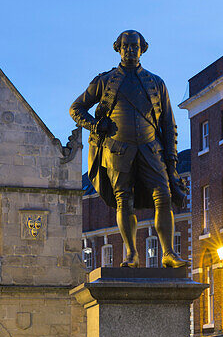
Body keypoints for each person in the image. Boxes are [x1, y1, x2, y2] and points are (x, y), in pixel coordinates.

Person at [70, 30, 187, 268]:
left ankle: (168, 253)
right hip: (117, 149)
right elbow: (76, 108)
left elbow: (168, 124)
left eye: (135, 46)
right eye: (126, 46)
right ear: (118, 48)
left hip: (150, 149)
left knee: (163, 196)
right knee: (124, 200)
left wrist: (172, 163)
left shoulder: (156, 82)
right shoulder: (104, 81)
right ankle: (132, 254)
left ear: (142, 48)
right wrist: (95, 124)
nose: (130, 50)